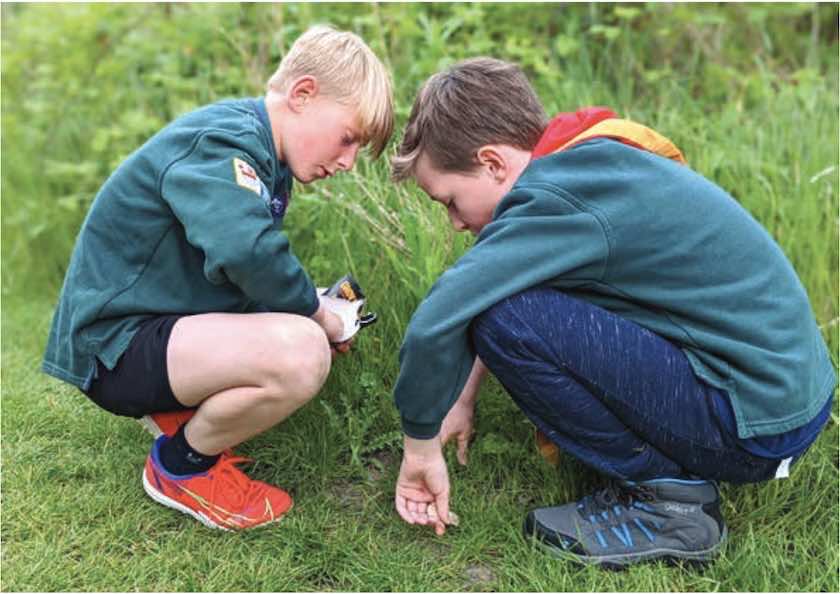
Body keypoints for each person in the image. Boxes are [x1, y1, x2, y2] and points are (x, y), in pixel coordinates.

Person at [388, 57, 835, 567]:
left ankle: (670, 504)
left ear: (492, 163)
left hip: (757, 424)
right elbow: (507, 280)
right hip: (784, 399)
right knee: (512, 306)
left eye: (449, 201)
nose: (454, 224)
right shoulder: (586, 162)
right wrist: (462, 394)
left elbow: (438, 317)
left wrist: (419, 446)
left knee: (505, 322)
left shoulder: (554, 202)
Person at [42, 25, 394, 531]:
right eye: (348, 139)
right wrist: (320, 318)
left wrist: (302, 307)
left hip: (146, 330)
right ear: (303, 94)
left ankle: (181, 420)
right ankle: (182, 467)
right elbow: (245, 251)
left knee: (295, 329)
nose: (347, 162)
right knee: (303, 351)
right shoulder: (226, 141)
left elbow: (232, 267)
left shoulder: (259, 151)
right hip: (113, 346)